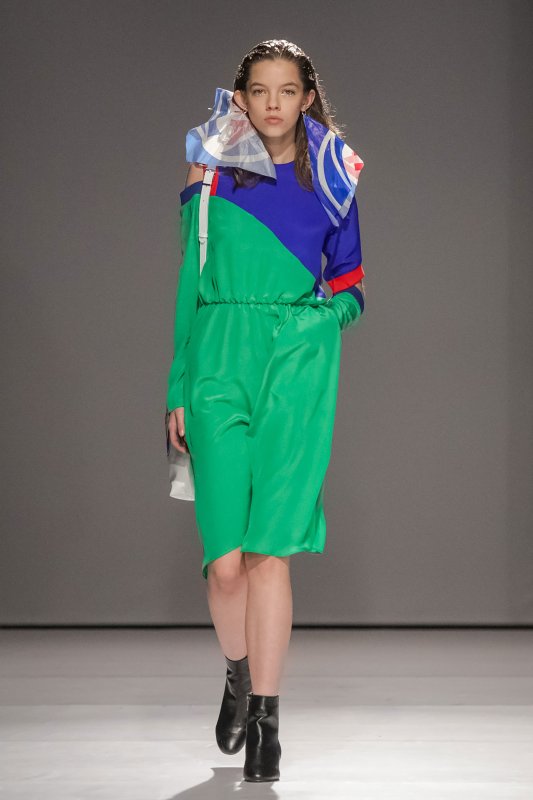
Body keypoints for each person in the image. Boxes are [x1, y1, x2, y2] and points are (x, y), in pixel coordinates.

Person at [166, 39, 366, 782]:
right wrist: (177, 384)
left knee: (268, 552)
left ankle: (267, 723)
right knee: (225, 568)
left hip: (295, 369)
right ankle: (238, 671)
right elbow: (189, 279)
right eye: (259, 90)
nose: (273, 104)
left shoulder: (333, 178)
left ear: (307, 98)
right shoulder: (209, 170)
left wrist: (319, 323)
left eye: (287, 90)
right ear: (241, 98)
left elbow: (351, 285)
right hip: (218, 362)